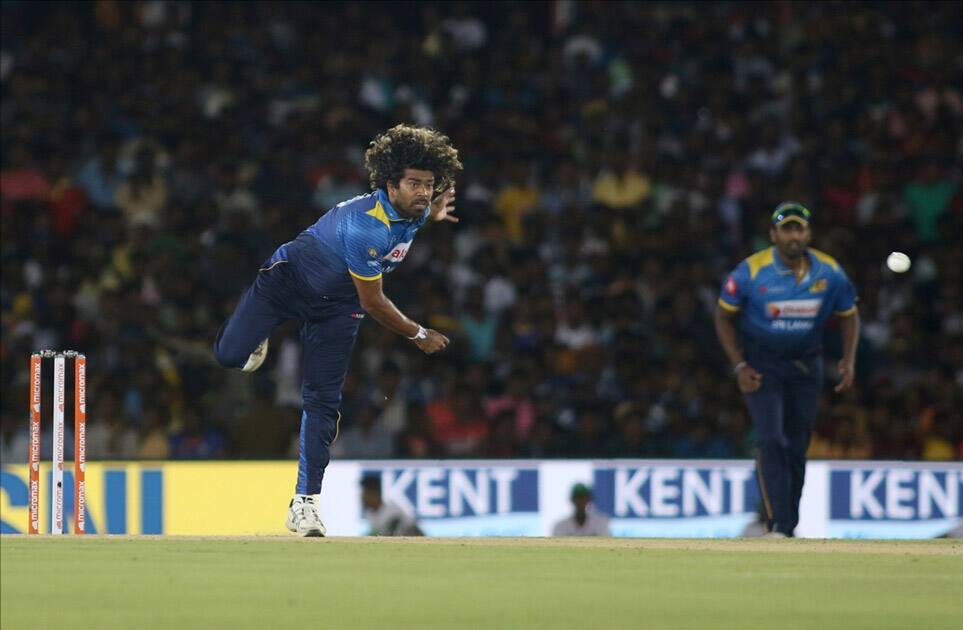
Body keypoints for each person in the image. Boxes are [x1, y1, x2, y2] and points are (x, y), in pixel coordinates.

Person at [213, 125, 462, 536]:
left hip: (338, 308)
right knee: (228, 357)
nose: (423, 192)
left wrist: (433, 213)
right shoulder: (368, 225)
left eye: (429, 185)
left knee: (323, 400)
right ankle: (260, 332)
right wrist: (419, 334)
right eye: (415, 184)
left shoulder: (413, 212)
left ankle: (305, 504)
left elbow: (412, 225)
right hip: (287, 285)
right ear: (389, 185)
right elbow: (375, 303)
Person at [714, 202, 859, 537]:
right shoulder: (751, 272)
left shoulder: (829, 272)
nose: (794, 236)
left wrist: (848, 360)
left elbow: (849, 314)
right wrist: (739, 365)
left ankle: (788, 525)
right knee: (771, 439)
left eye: (800, 229)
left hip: (806, 367)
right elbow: (723, 316)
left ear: (808, 233)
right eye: (787, 229)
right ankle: (778, 523)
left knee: (797, 445)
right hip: (762, 367)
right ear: (773, 234)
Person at [360, 474, 424, 536]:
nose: (363, 498)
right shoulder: (370, 513)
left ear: (375, 494)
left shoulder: (392, 511)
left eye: (365, 494)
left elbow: (388, 534)